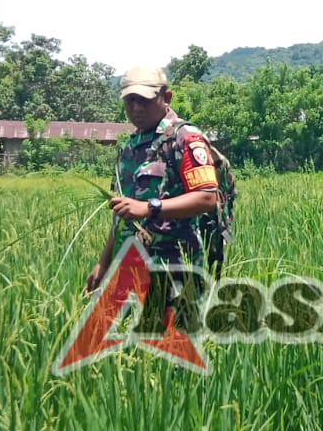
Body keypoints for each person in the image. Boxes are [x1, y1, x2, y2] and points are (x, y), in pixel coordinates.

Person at [86, 66, 223, 334]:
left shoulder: (185, 138)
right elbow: (122, 211)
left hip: (173, 267)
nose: (136, 108)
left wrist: (150, 207)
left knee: (171, 350)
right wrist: (103, 262)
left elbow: (208, 198)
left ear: (166, 97)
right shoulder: (130, 146)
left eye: (144, 100)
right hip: (130, 264)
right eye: (130, 101)